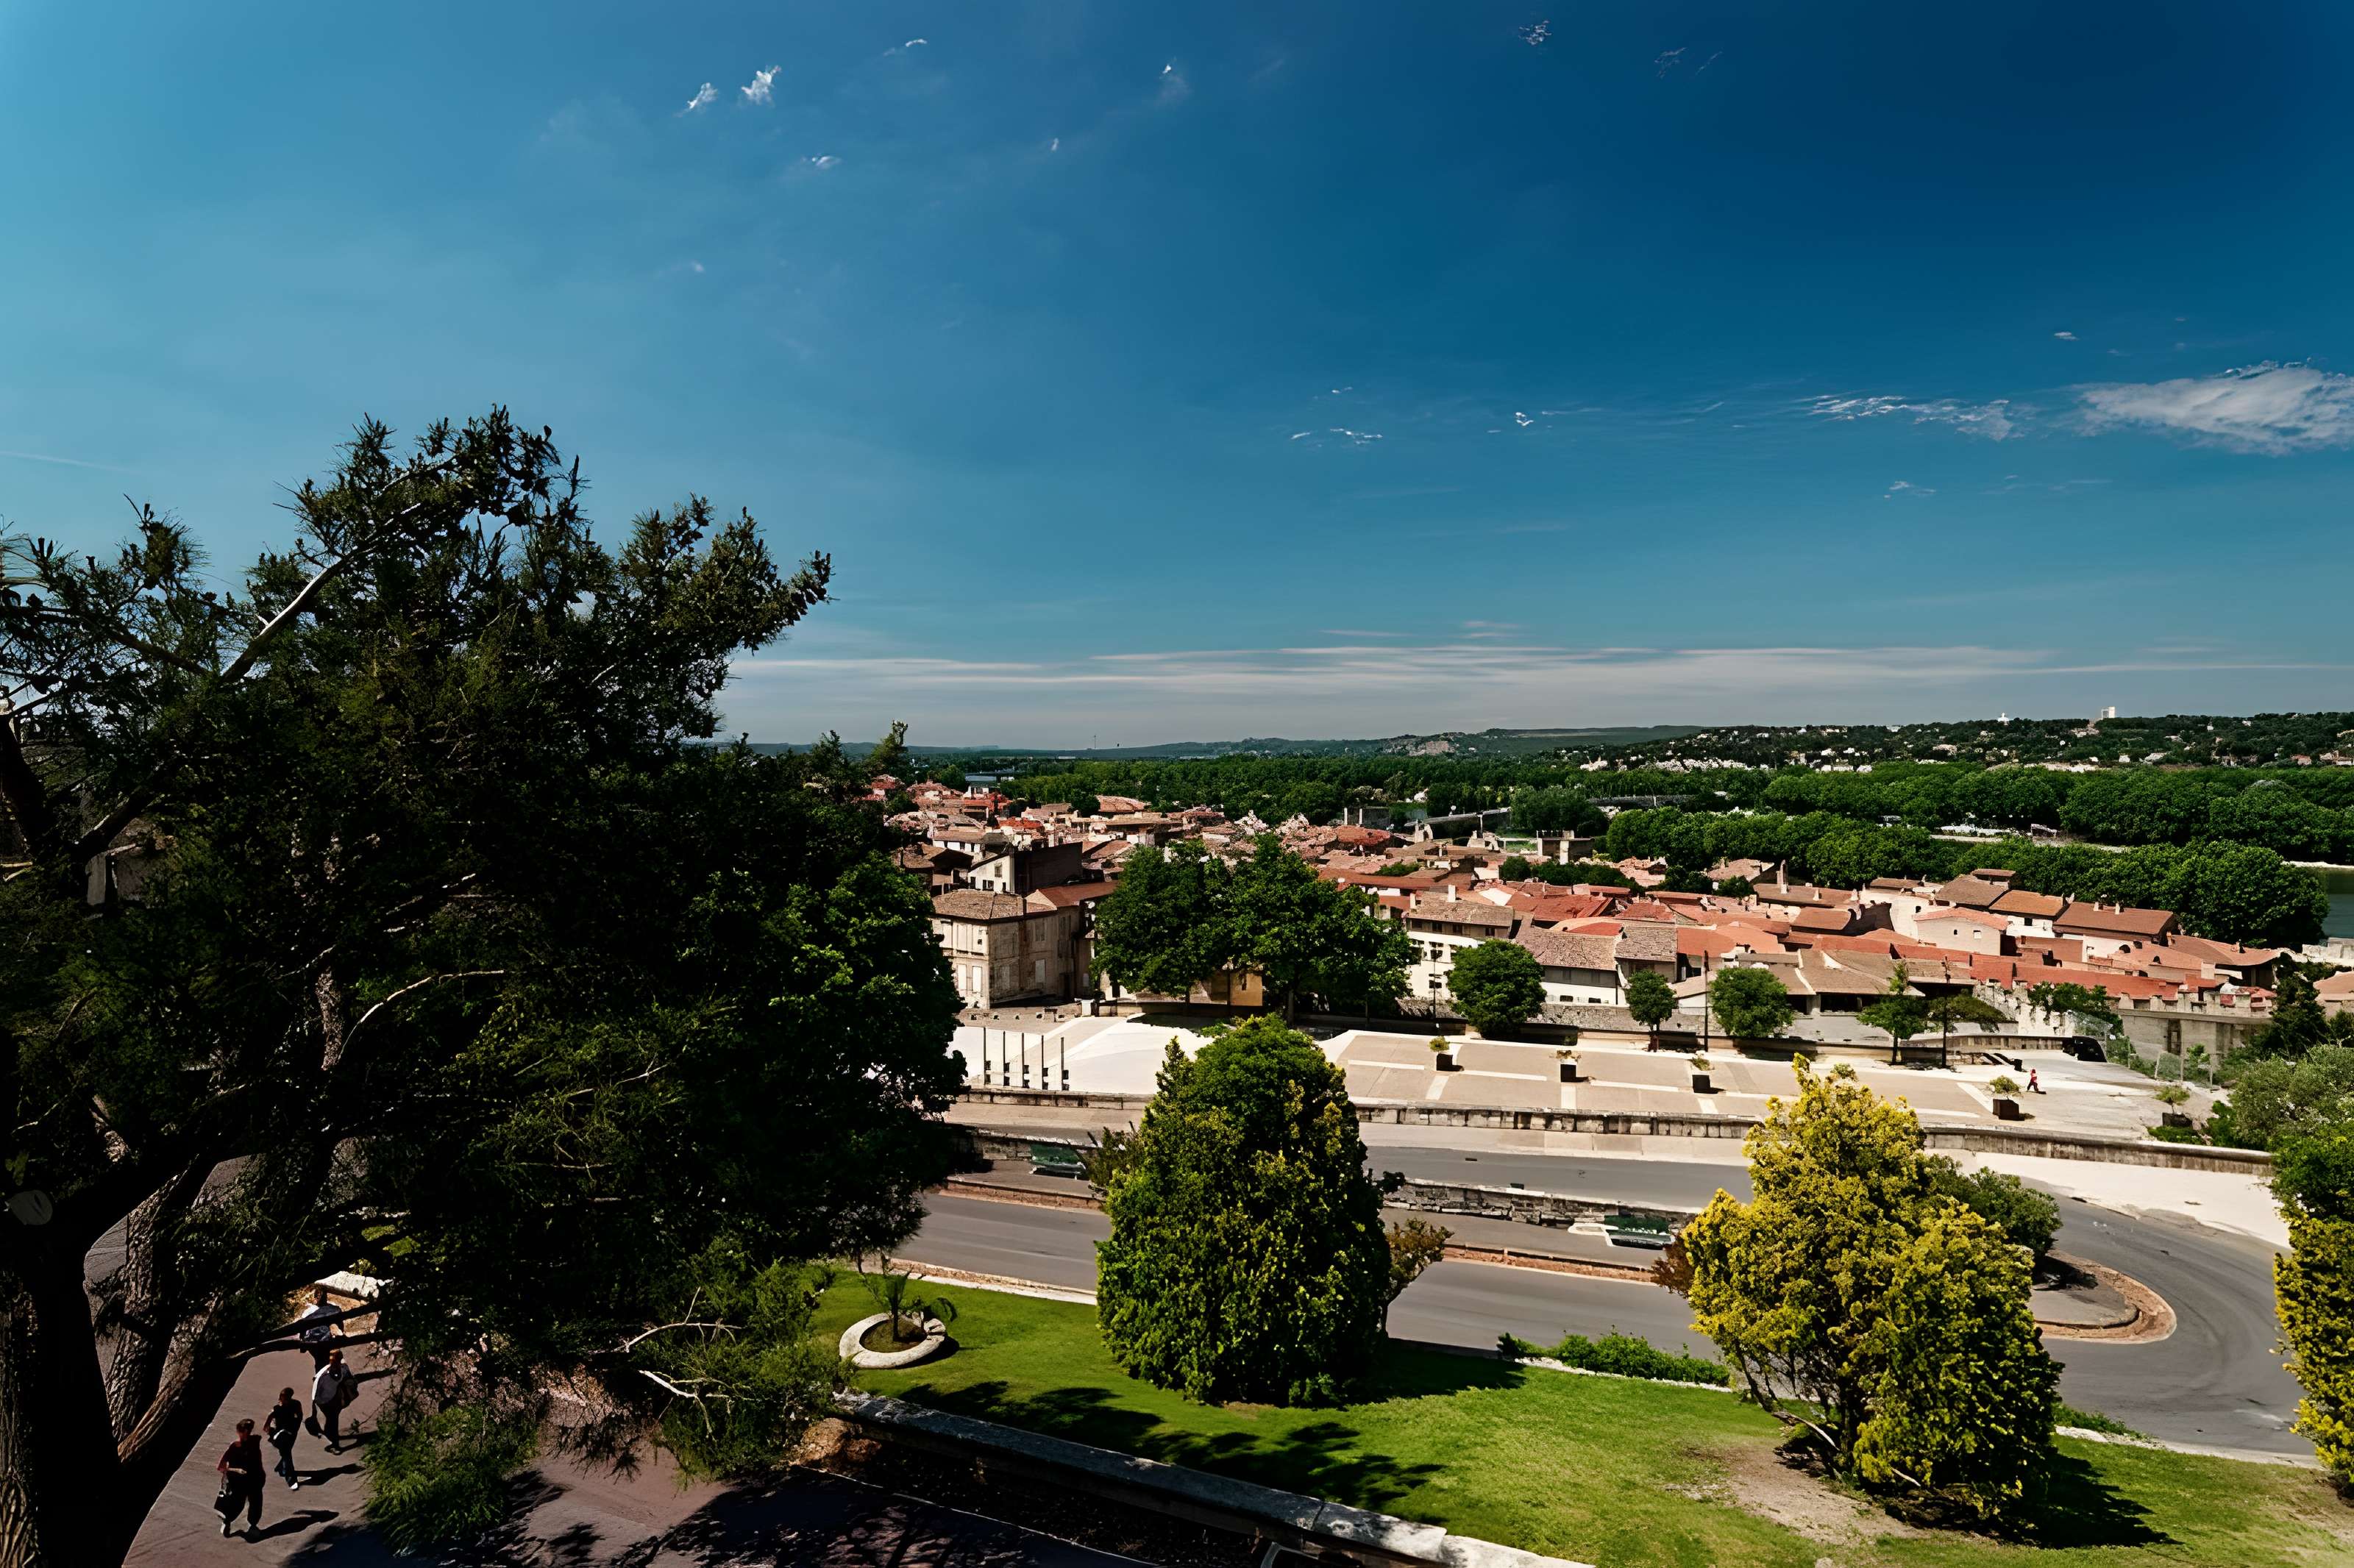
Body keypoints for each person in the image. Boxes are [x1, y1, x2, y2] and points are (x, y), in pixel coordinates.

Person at [215, 1418, 264, 1537]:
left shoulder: (255, 1441)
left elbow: (258, 1458)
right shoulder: (234, 1447)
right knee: (237, 1504)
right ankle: (227, 1522)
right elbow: (220, 1467)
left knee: (256, 1503)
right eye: (243, 1432)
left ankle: (253, 1526)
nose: (245, 1435)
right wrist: (237, 1470)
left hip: (255, 1478)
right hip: (238, 1482)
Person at [311, 1348, 358, 1453]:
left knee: (333, 1420)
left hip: (336, 1399)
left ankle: (333, 1441)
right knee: (332, 1421)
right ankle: (334, 1442)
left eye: (336, 1361)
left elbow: (350, 1378)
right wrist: (316, 1402)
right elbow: (315, 1385)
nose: (334, 1364)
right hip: (323, 1401)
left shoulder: (344, 1368)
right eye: (332, 1361)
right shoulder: (324, 1375)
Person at [264, 1386, 305, 1490]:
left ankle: (282, 1467)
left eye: (285, 1397)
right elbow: (269, 1420)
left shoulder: (296, 1404)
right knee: (287, 1454)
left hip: (291, 1433)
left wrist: (295, 1428)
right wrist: (270, 1431)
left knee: (286, 1453)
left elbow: (299, 1416)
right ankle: (291, 1478)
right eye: (282, 1397)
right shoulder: (277, 1408)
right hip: (280, 1435)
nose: (283, 1399)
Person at [294, 1288, 341, 1371]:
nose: (322, 1299)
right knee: (322, 1361)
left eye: (324, 1296)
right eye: (319, 1297)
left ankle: (324, 1376)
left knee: (327, 1360)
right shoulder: (310, 1311)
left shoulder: (331, 1307)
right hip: (315, 1341)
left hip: (327, 1339)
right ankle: (321, 1377)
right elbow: (304, 1327)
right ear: (315, 1298)